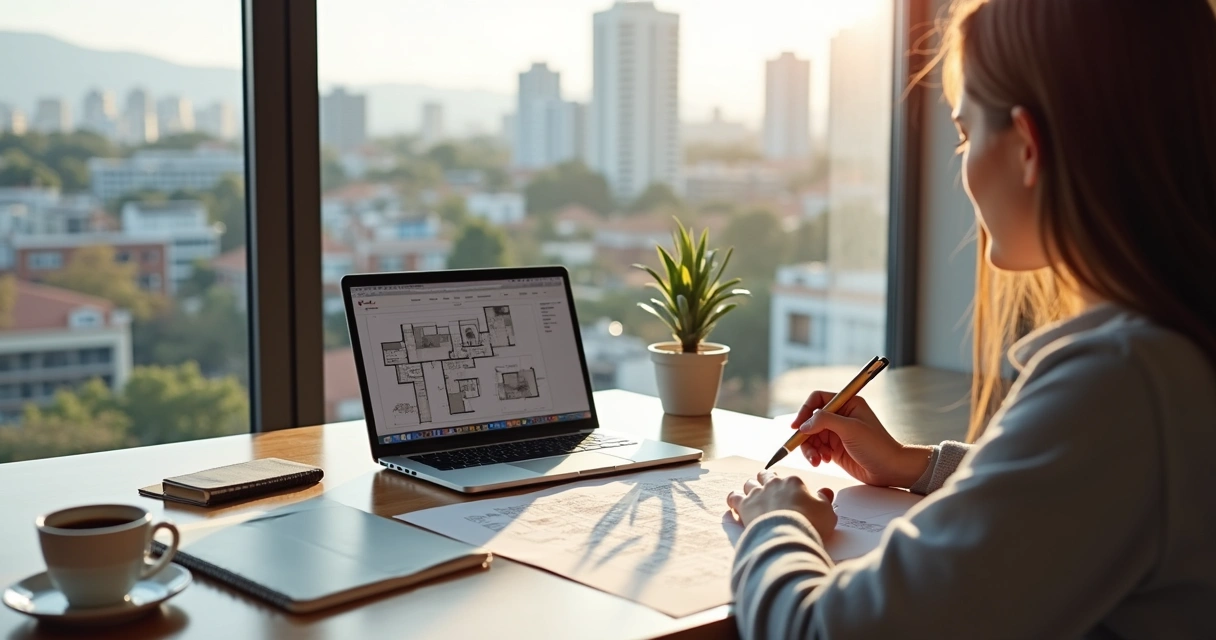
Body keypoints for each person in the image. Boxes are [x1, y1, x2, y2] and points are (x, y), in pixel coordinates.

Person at [726, 0, 1216, 637]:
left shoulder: (1122, 381)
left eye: (964, 133)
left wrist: (776, 523)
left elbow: (825, 631)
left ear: (1028, 146)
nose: (962, 166)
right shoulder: (1172, 355)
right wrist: (913, 466)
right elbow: (1075, 494)